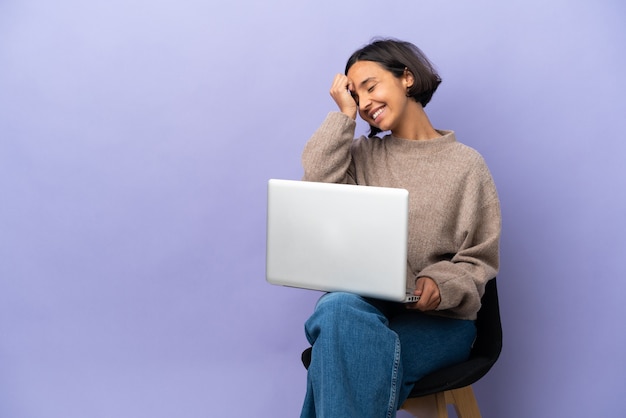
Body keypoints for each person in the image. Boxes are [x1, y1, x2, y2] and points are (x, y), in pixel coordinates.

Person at [299, 38, 501, 418]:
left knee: (341, 359)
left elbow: (479, 261)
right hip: (368, 309)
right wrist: (343, 116)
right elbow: (316, 189)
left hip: (441, 323)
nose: (365, 103)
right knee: (338, 307)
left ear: (406, 77)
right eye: (355, 96)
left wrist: (439, 286)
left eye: (371, 86)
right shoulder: (360, 155)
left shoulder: (466, 165)